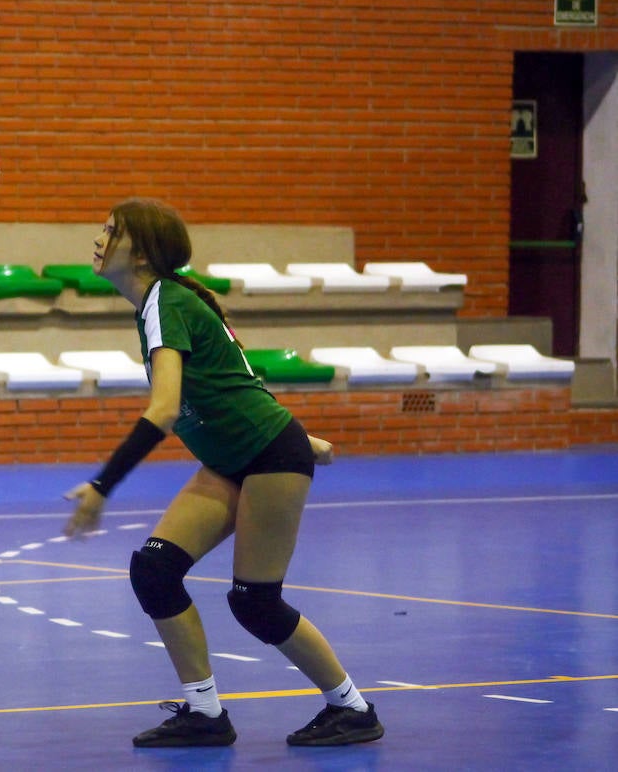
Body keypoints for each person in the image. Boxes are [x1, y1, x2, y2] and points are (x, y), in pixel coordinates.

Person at [63, 197, 384, 749]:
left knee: (255, 601)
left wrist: (101, 485)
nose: (98, 238)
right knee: (155, 571)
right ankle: (205, 714)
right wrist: (302, 438)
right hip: (237, 456)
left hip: (266, 458)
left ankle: (351, 708)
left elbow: (164, 409)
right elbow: (231, 379)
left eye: (111, 231)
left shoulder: (167, 299)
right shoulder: (166, 301)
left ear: (140, 252)